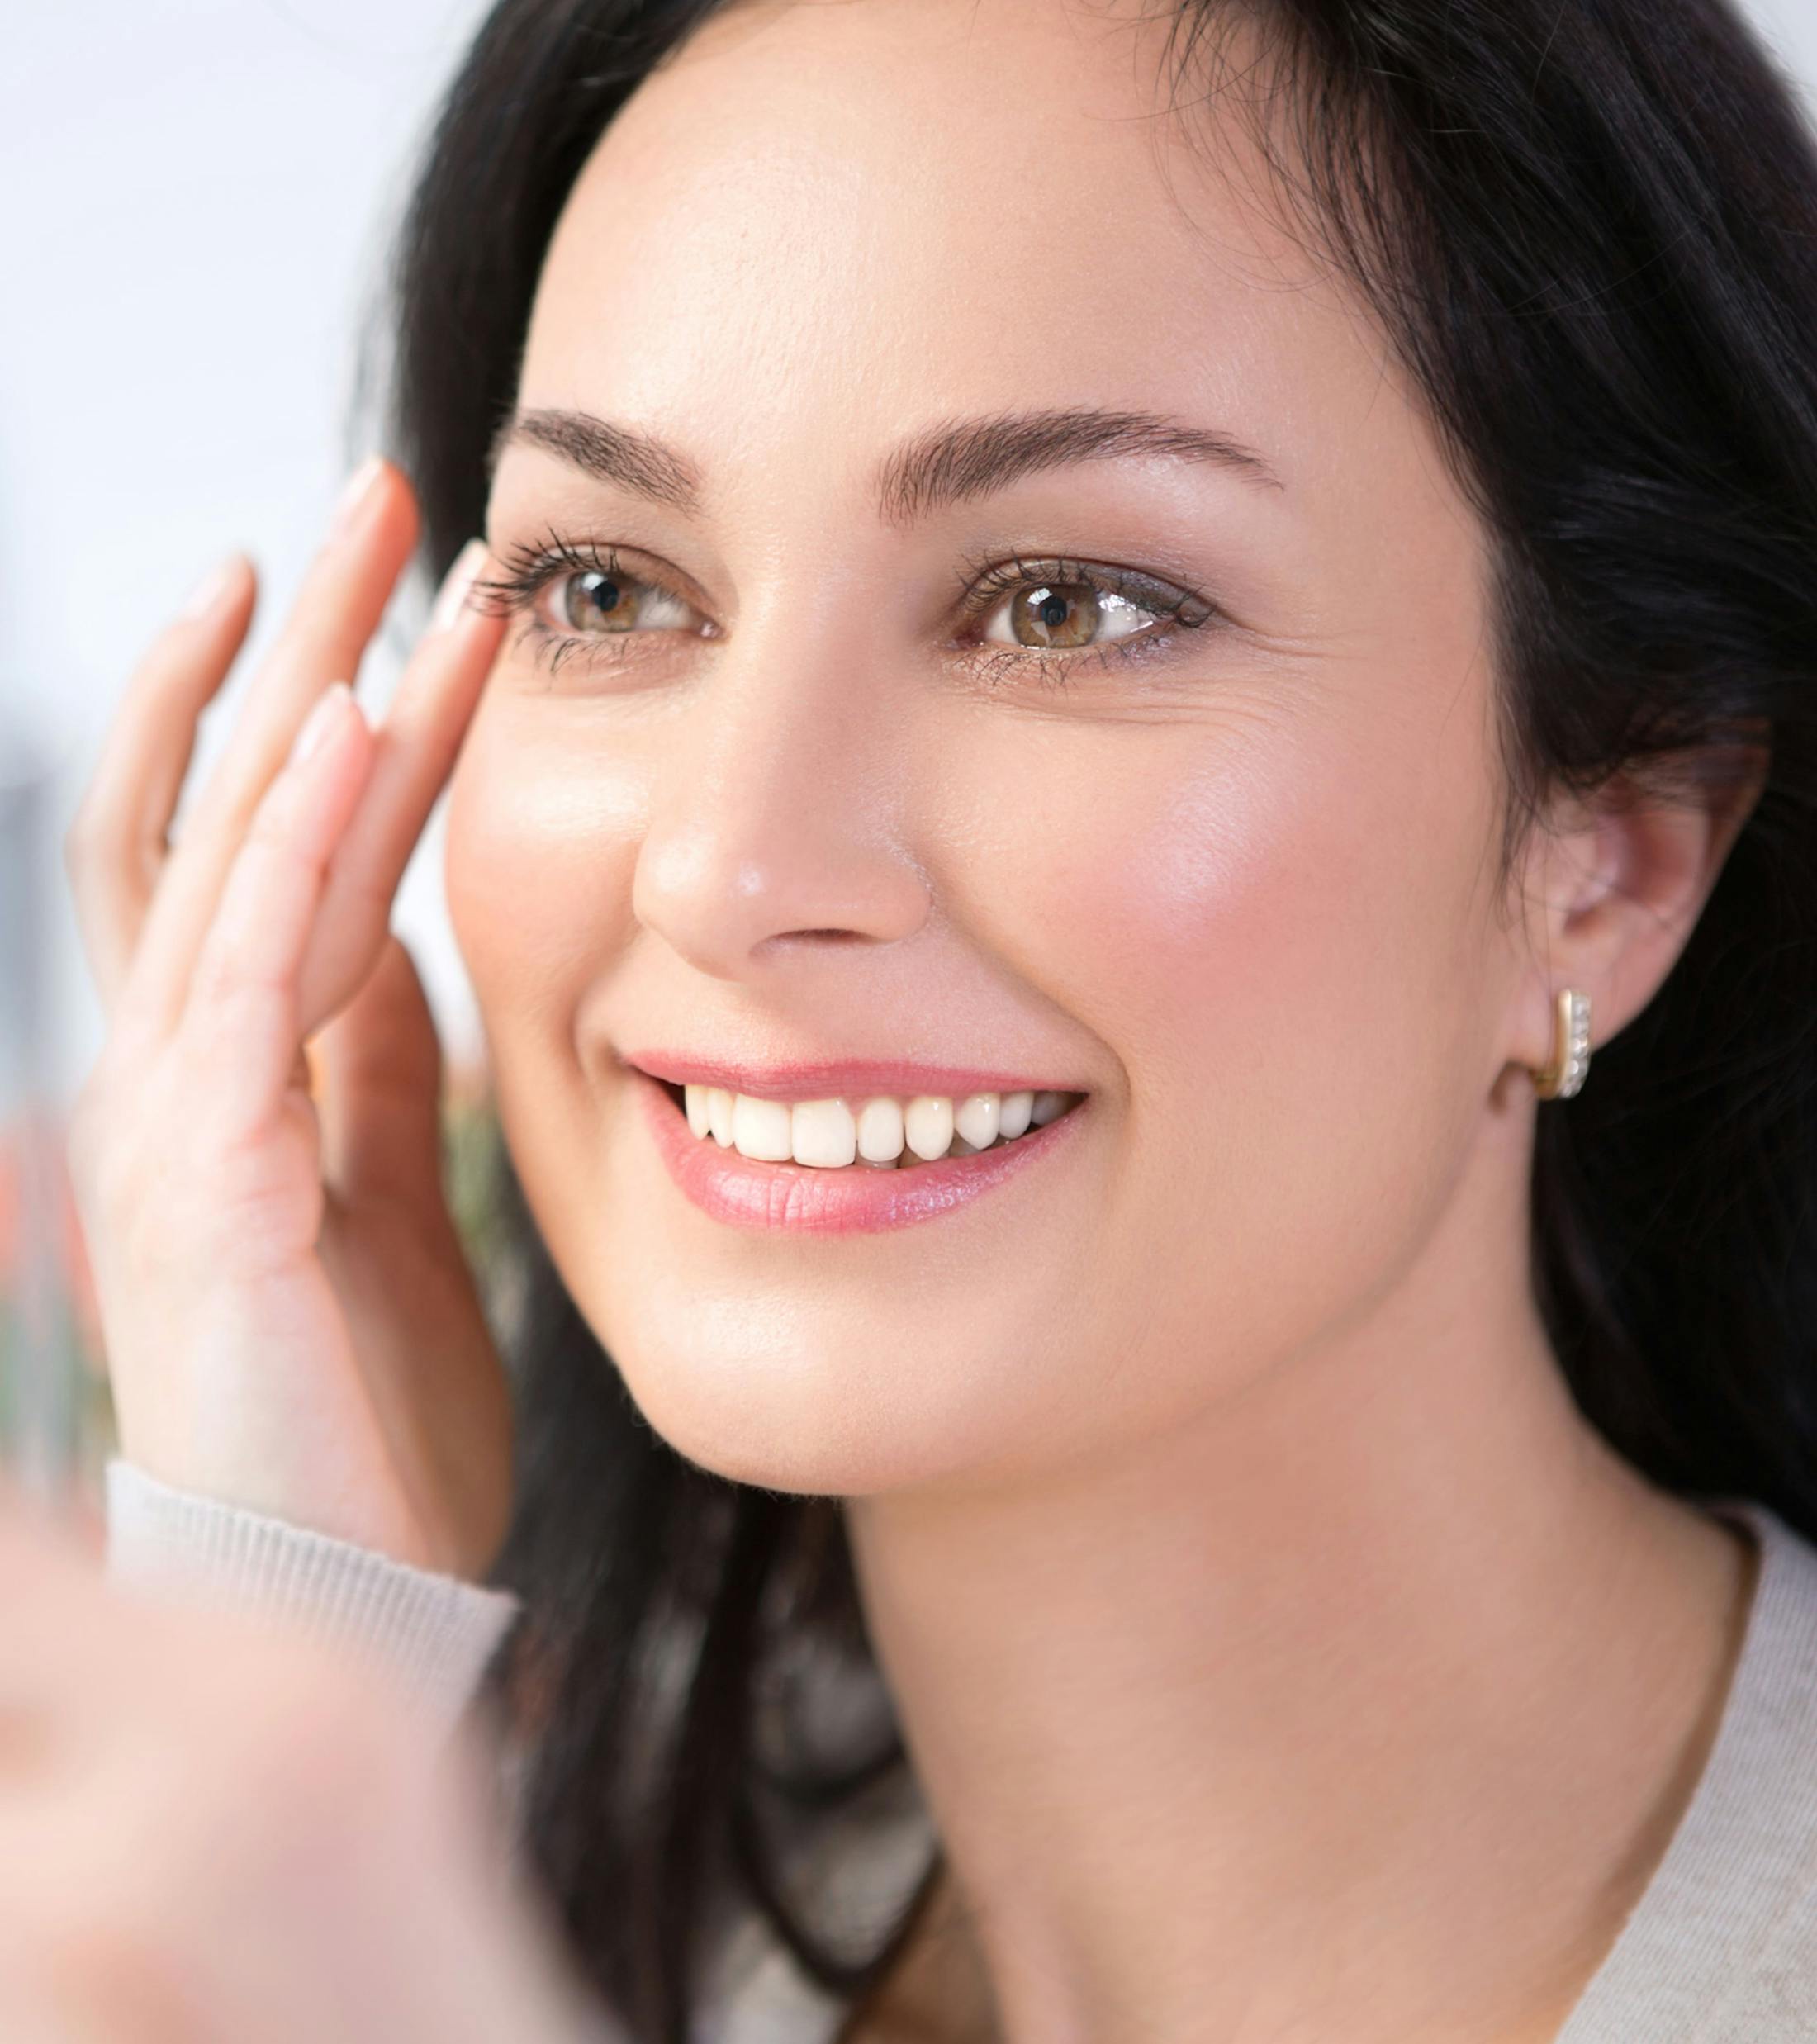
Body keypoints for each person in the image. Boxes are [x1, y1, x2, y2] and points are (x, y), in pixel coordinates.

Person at [50, 0, 1817, 2037]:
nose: (723, 866)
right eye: (611, 590)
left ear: (1612, 843)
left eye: (1062, 604)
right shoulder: (491, 1891)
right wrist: (311, 1676)